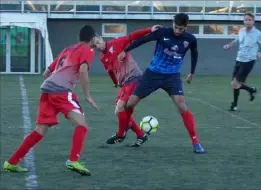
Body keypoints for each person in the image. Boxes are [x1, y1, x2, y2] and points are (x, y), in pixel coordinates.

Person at [3, 25, 99, 176]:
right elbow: (82, 71)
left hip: (47, 90)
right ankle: (73, 160)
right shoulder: (88, 50)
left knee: (40, 130)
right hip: (61, 92)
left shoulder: (67, 49)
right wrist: (87, 95)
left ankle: (11, 162)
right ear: (92, 38)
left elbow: (46, 73)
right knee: (81, 124)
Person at [117, 13, 206, 153]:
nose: (177, 31)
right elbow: (143, 40)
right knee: (130, 104)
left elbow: (195, 53)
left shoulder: (190, 39)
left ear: (185, 27)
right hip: (153, 74)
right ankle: (124, 128)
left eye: (181, 29)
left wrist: (192, 72)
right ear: (173, 23)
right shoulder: (162, 32)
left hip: (172, 77)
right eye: (176, 27)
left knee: (182, 106)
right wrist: (126, 50)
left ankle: (196, 143)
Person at [93, 25, 161, 147]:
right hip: (124, 83)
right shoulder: (103, 57)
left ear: (101, 38)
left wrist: (149, 29)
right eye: (94, 46)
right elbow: (109, 71)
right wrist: (114, 82)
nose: (98, 46)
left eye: (98, 42)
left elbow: (133, 36)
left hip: (134, 78)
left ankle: (120, 134)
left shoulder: (116, 42)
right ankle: (141, 135)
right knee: (119, 112)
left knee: (120, 108)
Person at [223, 12, 261, 111]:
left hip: (249, 61)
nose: (247, 22)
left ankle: (236, 103)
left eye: (250, 20)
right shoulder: (241, 31)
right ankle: (250, 92)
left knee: (235, 83)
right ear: (244, 21)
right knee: (235, 84)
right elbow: (236, 40)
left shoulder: (258, 34)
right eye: (246, 20)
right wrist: (229, 46)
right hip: (239, 59)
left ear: (253, 21)